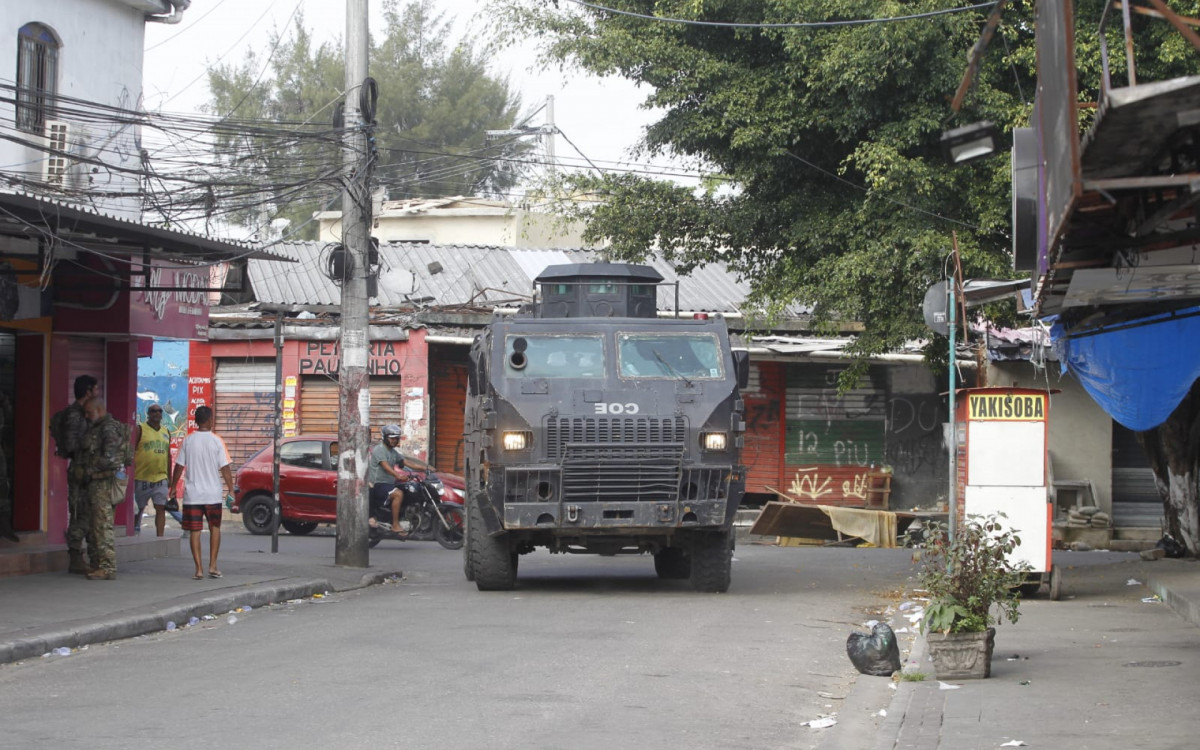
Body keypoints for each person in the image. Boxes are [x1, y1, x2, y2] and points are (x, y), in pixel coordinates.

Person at [168, 406, 233, 580]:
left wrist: (173, 487)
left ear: (196, 421)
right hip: (212, 494)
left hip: (193, 495)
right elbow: (225, 468)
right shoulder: (217, 441)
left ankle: (198, 569)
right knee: (215, 528)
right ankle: (213, 566)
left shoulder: (188, 441)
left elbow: (179, 466)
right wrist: (231, 489)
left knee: (195, 531)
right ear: (210, 419)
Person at [77, 398, 128, 580]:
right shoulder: (99, 428)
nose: (86, 416)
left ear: (99, 410)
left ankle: (107, 566)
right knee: (95, 526)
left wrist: (89, 470)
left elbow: (109, 458)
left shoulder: (108, 429)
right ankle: (97, 564)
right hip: (96, 484)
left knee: (102, 525)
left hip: (104, 484)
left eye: (89, 412)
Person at [53, 375, 99, 574]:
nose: (97, 393)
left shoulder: (85, 413)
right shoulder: (75, 415)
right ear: (87, 391)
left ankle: (88, 556)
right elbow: (71, 445)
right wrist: (89, 446)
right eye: (95, 389)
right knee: (80, 513)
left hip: (88, 470)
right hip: (80, 471)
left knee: (90, 512)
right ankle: (75, 556)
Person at [133, 404, 180, 536]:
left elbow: (168, 456)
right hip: (141, 477)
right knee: (138, 509)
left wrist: (170, 477)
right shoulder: (140, 429)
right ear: (148, 414)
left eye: (159, 411)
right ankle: (135, 532)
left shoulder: (166, 431)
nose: (157, 413)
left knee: (161, 508)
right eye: (153, 411)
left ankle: (160, 537)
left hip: (160, 478)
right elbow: (132, 451)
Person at [368, 424, 407, 534]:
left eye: (396, 438)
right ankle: (395, 525)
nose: (394, 440)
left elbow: (406, 462)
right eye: (391, 438)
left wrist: (427, 467)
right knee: (398, 494)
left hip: (388, 484)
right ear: (385, 438)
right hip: (378, 484)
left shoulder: (393, 452)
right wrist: (398, 475)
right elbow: (385, 466)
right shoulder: (379, 449)